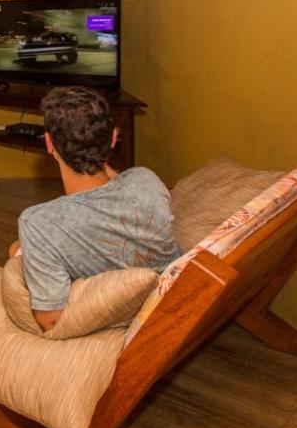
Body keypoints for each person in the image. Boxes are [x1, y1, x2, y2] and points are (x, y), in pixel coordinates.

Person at [10, 86, 180, 333]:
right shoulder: (147, 180)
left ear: (49, 143)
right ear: (113, 138)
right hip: (169, 300)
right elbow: (119, 186)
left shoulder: (38, 223)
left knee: (15, 250)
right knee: (18, 247)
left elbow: (52, 321)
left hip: (114, 321)